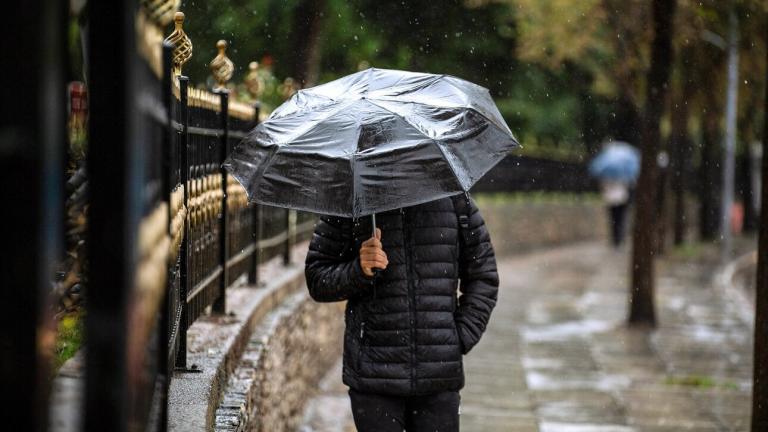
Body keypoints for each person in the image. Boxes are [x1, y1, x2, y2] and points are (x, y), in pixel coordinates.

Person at [305, 193, 498, 431]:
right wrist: (359, 269)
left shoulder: (455, 199)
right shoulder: (351, 202)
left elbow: (483, 275)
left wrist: (460, 336)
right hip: (374, 375)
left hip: (438, 377)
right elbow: (317, 278)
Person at [600, 178, 632, 247]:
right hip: (621, 200)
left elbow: (604, 188)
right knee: (620, 220)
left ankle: (616, 238)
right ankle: (620, 237)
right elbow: (627, 186)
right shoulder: (623, 176)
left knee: (614, 220)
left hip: (611, 200)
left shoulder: (607, 177)